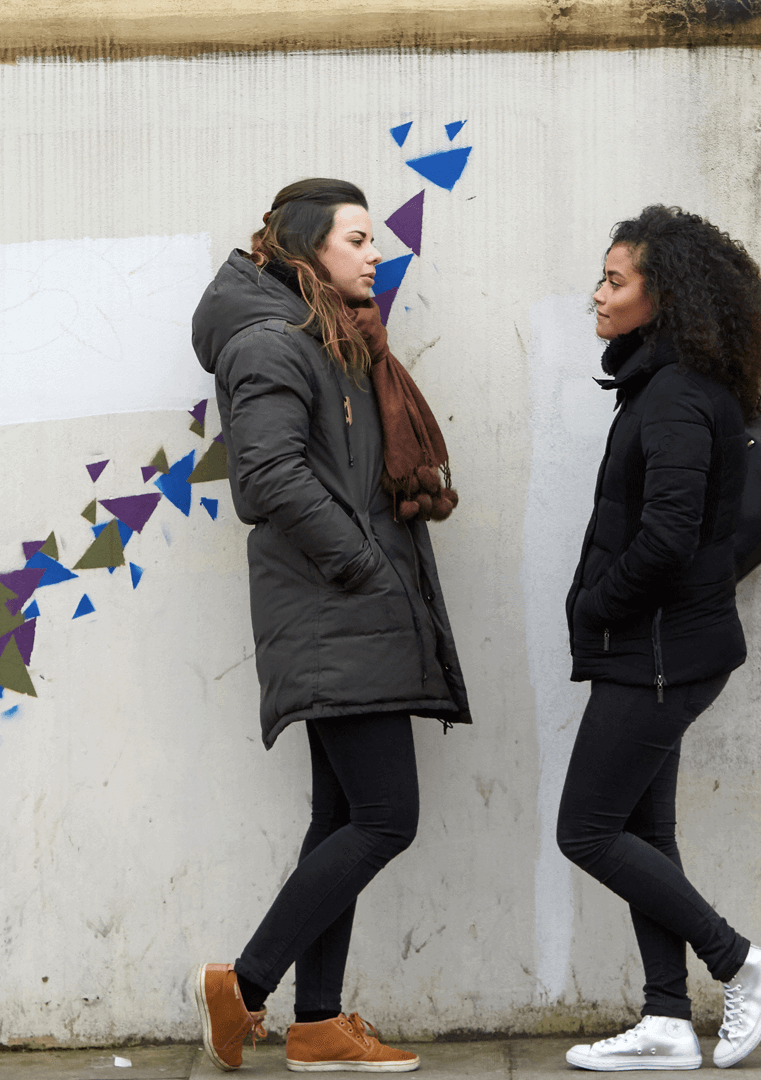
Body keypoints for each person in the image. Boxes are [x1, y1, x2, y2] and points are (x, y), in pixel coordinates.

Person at [186, 178, 471, 1074]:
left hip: (350, 613)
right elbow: (265, 478)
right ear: (307, 253)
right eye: (355, 239)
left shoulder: (332, 344)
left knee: (342, 817)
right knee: (387, 817)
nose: (373, 252)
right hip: (336, 610)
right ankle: (245, 985)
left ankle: (315, 1023)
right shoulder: (272, 345)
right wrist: (362, 563)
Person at [556, 206, 761, 1071]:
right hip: (658, 648)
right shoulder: (667, 388)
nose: (599, 293)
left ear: (665, 296)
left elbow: (667, 533)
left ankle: (743, 964)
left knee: (585, 829)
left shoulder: (677, 397)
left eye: (615, 281)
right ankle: (664, 1019)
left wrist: (597, 606)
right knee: (643, 834)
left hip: (657, 652)